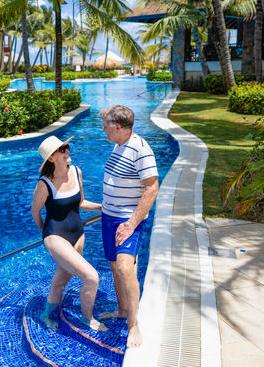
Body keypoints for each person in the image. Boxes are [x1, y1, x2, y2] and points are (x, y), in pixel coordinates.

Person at [98, 105, 159, 348]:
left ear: (118, 127)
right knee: (115, 268)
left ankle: (133, 324)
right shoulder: (119, 145)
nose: (103, 131)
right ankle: (123, 310)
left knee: (125, 268)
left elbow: (152, 188)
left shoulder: (141, 149)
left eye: (106, 127)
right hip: (108, 217)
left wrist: (131, 224)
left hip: (126, 220)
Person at [31, 135, 106, 332]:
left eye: (66, 147)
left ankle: (46, 314)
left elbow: (81, 202)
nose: (66, 151)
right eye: (61, 149)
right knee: (91, 277)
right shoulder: (44, 183)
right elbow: (35, 212)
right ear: (51, 158)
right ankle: (87, 318)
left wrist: (102, 207)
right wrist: (47, 237)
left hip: (78, 233)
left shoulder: (76, 171)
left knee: (61, 281)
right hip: (55, 236)